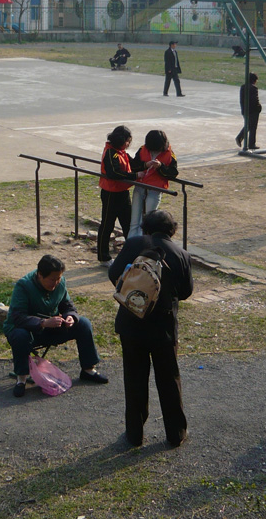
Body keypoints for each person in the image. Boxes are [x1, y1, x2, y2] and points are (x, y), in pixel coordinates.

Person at [108, 210, 193, 447]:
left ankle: (134, 434)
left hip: (131, 321)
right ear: (172, 230)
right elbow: (186, 292)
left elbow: (113, 274)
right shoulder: (181, 254)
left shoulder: (134, 243)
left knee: (134, 379)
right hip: (163, 327)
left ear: (145, 227)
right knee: (169, 379)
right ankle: (176, 433)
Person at [4, 254, 108, 397]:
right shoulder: (24, 286)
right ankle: (21, 378)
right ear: (40, 275)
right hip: (29, 331)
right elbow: (17, 317)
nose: (56, 283)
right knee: (20, 335)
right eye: (52, 279)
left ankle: (88, 369)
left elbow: (67, 305)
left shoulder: (61, 283)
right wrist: (43, 323)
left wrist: (70, 317)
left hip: (51, 328)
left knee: (83, 324)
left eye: (58, 278)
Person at [98, 125, 137, 266]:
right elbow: (113, 173)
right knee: (107, 224)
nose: (128, 144)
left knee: (128, 224)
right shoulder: (111, 153)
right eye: (127, 141)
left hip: (122, 192)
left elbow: (133, 164)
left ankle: (131, 255)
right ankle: (103, 257)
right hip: (110, 193)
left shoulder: (121, 152)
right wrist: (135, 176)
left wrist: (146, 165)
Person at [128, 130, 178, 239]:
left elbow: (173, 173)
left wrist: (160, 167)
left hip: (155, 189)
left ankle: (145, 243)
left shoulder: (170, 153)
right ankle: (131, 242)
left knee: (148, 221)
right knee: (135, 220)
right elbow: (134, 166)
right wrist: (145, 165)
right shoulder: (142, 149)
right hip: (140, 186)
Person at [235, 72, 261, 149]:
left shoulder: (243, 87)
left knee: (248, 125)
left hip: (245, 110)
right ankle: (251, 144)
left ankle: (240, 138)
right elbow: (255, 100)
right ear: (254, 80)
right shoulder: (254, 88)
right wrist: (259, 108)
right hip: (253, 111)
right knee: (253, 127)